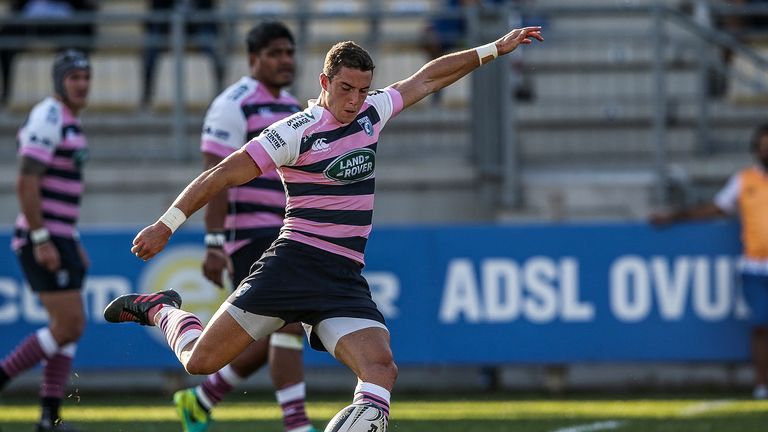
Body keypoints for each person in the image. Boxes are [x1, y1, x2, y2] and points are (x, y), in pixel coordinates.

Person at [103, 26, 543, 431]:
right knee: (200, 362)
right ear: (324, 83)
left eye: (362, 90)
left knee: (381, 369)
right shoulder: (296, 132)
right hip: (293, 265)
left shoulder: (372, 112)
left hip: (341, 277)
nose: (354, 100)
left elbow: (427, 79)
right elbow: (222, 173)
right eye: (346, 88)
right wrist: (167, 224)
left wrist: (492, 50)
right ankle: (162, 308)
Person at [172, 21, 315, 432]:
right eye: (275, 53)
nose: (285, 60)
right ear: (253, 59)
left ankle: (200, 400)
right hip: (247, 235)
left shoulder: (292, 106)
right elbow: (214, 176)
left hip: (286, 231)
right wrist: (214, 243)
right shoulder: (232, 104)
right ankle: (297, 423)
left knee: (269, 332)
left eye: (289, 52)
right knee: (288, 321)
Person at [0, 49, 91, 432]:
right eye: (74, 77)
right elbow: (26, 180)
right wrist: (41, 238)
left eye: (86, 78)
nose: (82, 85)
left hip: (61, 236)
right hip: (43, 237)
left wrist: (71, 238)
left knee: (66, 329)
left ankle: (48, 418)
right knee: (69, 325)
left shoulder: (69, 120)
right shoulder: (49, 115)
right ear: (58, 81)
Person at [650, 123, 768, 400]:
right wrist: (675, 216)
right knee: (761, 324)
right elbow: (717, 206)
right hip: (755, 266)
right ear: (756, 151)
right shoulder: (744, 180)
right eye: (764, 147)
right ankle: (763, 384)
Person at [0, 0, 97, 107]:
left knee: (77, 45)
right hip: (29, 22)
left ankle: (72, 97)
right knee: (5, 37)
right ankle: (6, 94)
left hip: (65, 22)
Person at [141, 0, 224, 108]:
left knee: (214, 48)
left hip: (199, 26)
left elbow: (208, 12)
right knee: (151, 48)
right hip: (166, 27)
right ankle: (146, 97)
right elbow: (156, 12)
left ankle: (220, 96)